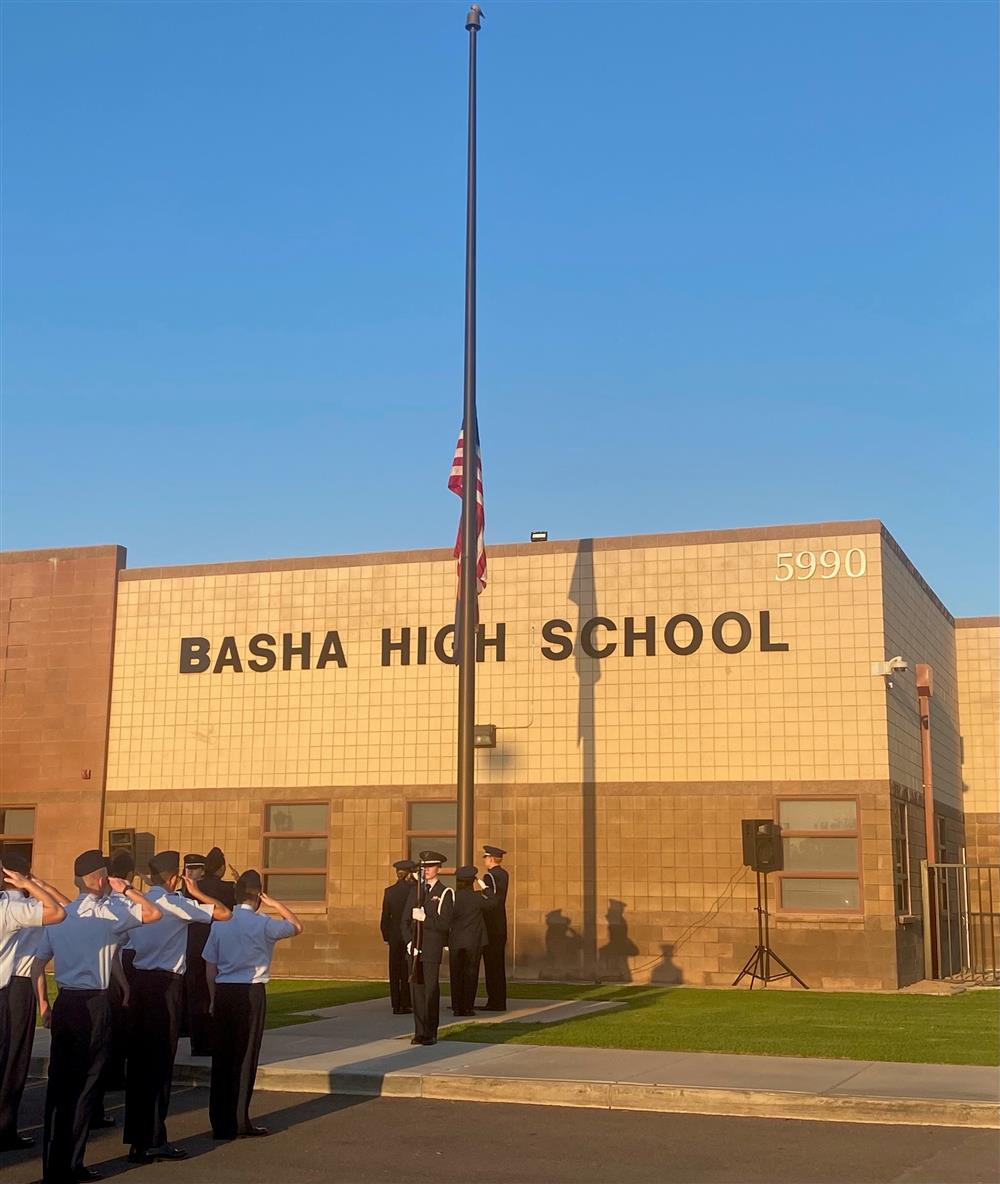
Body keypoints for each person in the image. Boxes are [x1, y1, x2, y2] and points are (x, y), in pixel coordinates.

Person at [33, 849, 161, 1184]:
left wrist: (44, 1005)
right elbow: (153, 914)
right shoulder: (109, 917)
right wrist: (127, 889)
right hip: (95, 1004)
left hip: (66, 1002)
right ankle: (72, 1164)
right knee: (87, 1084)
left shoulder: (61, 916)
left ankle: (54, 1165)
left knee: (60, 1087)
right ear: (103, 879)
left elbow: (37, 965)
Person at [123, 850, 232, 1164]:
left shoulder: (137, 902)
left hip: (139, 980)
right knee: (159, 1065)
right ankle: (154, 1139)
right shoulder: (175, 902)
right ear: (174, 877)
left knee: (140, 1066)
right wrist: (196, 892)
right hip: (165, 984)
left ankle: (137, 1139)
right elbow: (224, 914)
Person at [203, 870, 301, 1140]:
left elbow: (209, 965)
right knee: (245, 1057)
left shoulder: (220, 923)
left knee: (222, 1057)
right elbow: (296, 926)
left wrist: (212, 998)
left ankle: (220, 1123)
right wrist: (276, 904)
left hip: (224, 991)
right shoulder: (263, 923)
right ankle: (239, 1120)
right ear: (258, 895)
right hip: (251, 991)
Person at [0, 853, 67, 1151]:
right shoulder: (22, 906)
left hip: (17, 982)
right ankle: (4, 1127)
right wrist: (37, 884)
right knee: (14, 1060)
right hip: (17, 985)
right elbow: (64, 909)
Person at [401, 851, 454, 1046]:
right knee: (416, 991)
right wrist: (409, 943)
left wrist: (426, 919)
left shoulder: (444, 892)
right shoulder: (416, 892)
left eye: (431, 867)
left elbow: (444, 924)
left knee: (430, 991)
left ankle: (431, 1032)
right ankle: (419, 1031)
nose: (427, 871)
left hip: (431, 948)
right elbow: (404, 921)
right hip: (414, 950)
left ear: (438, 868)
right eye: (424, 867)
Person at [448, 865, 496, 1017]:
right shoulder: (477, 897)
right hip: (473, 940)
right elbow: (494, 903)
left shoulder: (453, 897)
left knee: (456, 974)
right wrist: (485, 887)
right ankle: (467, 1007)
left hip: (455, 940)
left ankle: (457, 1006)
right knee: (470, 974)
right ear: (473, 881)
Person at [180, 853, 214, 1056]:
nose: (190, 872)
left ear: (203, 871)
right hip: (187, 951)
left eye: (194, 869)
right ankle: (194, 1037)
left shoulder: (208, 891)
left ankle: (204, 1041)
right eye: (187, 869)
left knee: (204, 997)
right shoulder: (180, 894)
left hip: (204, 949)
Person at [380, 859, 416, 1015]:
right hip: (409, 934)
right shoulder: (414, 890)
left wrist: (386, 936)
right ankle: (406, 1002)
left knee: (394, 970)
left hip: (394, 935)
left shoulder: (389, 891)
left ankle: (396, 1003)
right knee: (407, 969)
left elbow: (385, 917)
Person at [477, 845, 509, 1011]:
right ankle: (499, 1000)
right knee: (498, 966)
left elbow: (492, 901)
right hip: (500, 925)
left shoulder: (489, 876)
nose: (484, 860)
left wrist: (483, 890)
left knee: (492, 966)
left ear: (490, 859)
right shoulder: (503, 874)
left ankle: (494, 1002)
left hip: (491, 926)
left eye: (485, 857)